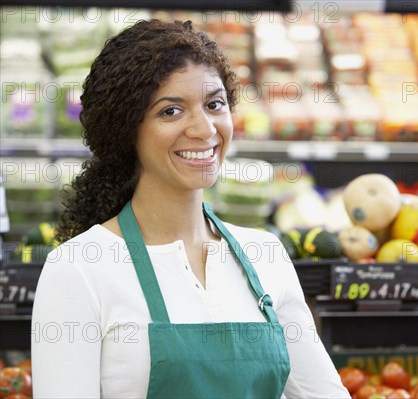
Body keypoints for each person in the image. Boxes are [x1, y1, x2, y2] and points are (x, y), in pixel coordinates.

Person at [31, 19, 350, 398]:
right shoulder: (78, 268)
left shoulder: (264, 255)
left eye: (214, 104)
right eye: (171, 111)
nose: (204, 129)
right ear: (126, 129)